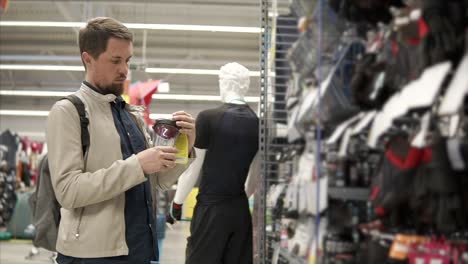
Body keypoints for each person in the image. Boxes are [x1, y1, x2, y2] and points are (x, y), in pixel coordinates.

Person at [46, 17, 196, 264]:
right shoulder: (68, 111)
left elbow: (158, 181)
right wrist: (137, 165)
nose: (125, 70)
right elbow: (68, 192)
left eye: (127, 61)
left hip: (138, 248)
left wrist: (185, 146)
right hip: (92, 255)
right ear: (88, 58)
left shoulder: (130, 115)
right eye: (115, 60)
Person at [168, 62, 260, 264]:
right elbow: (255, 175)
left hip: (211, 209)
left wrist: (177, 202)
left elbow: (192, 168)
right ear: (246, 86)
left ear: (223, 83)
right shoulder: (258, 124)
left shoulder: (208, 118)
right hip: (240, 210)